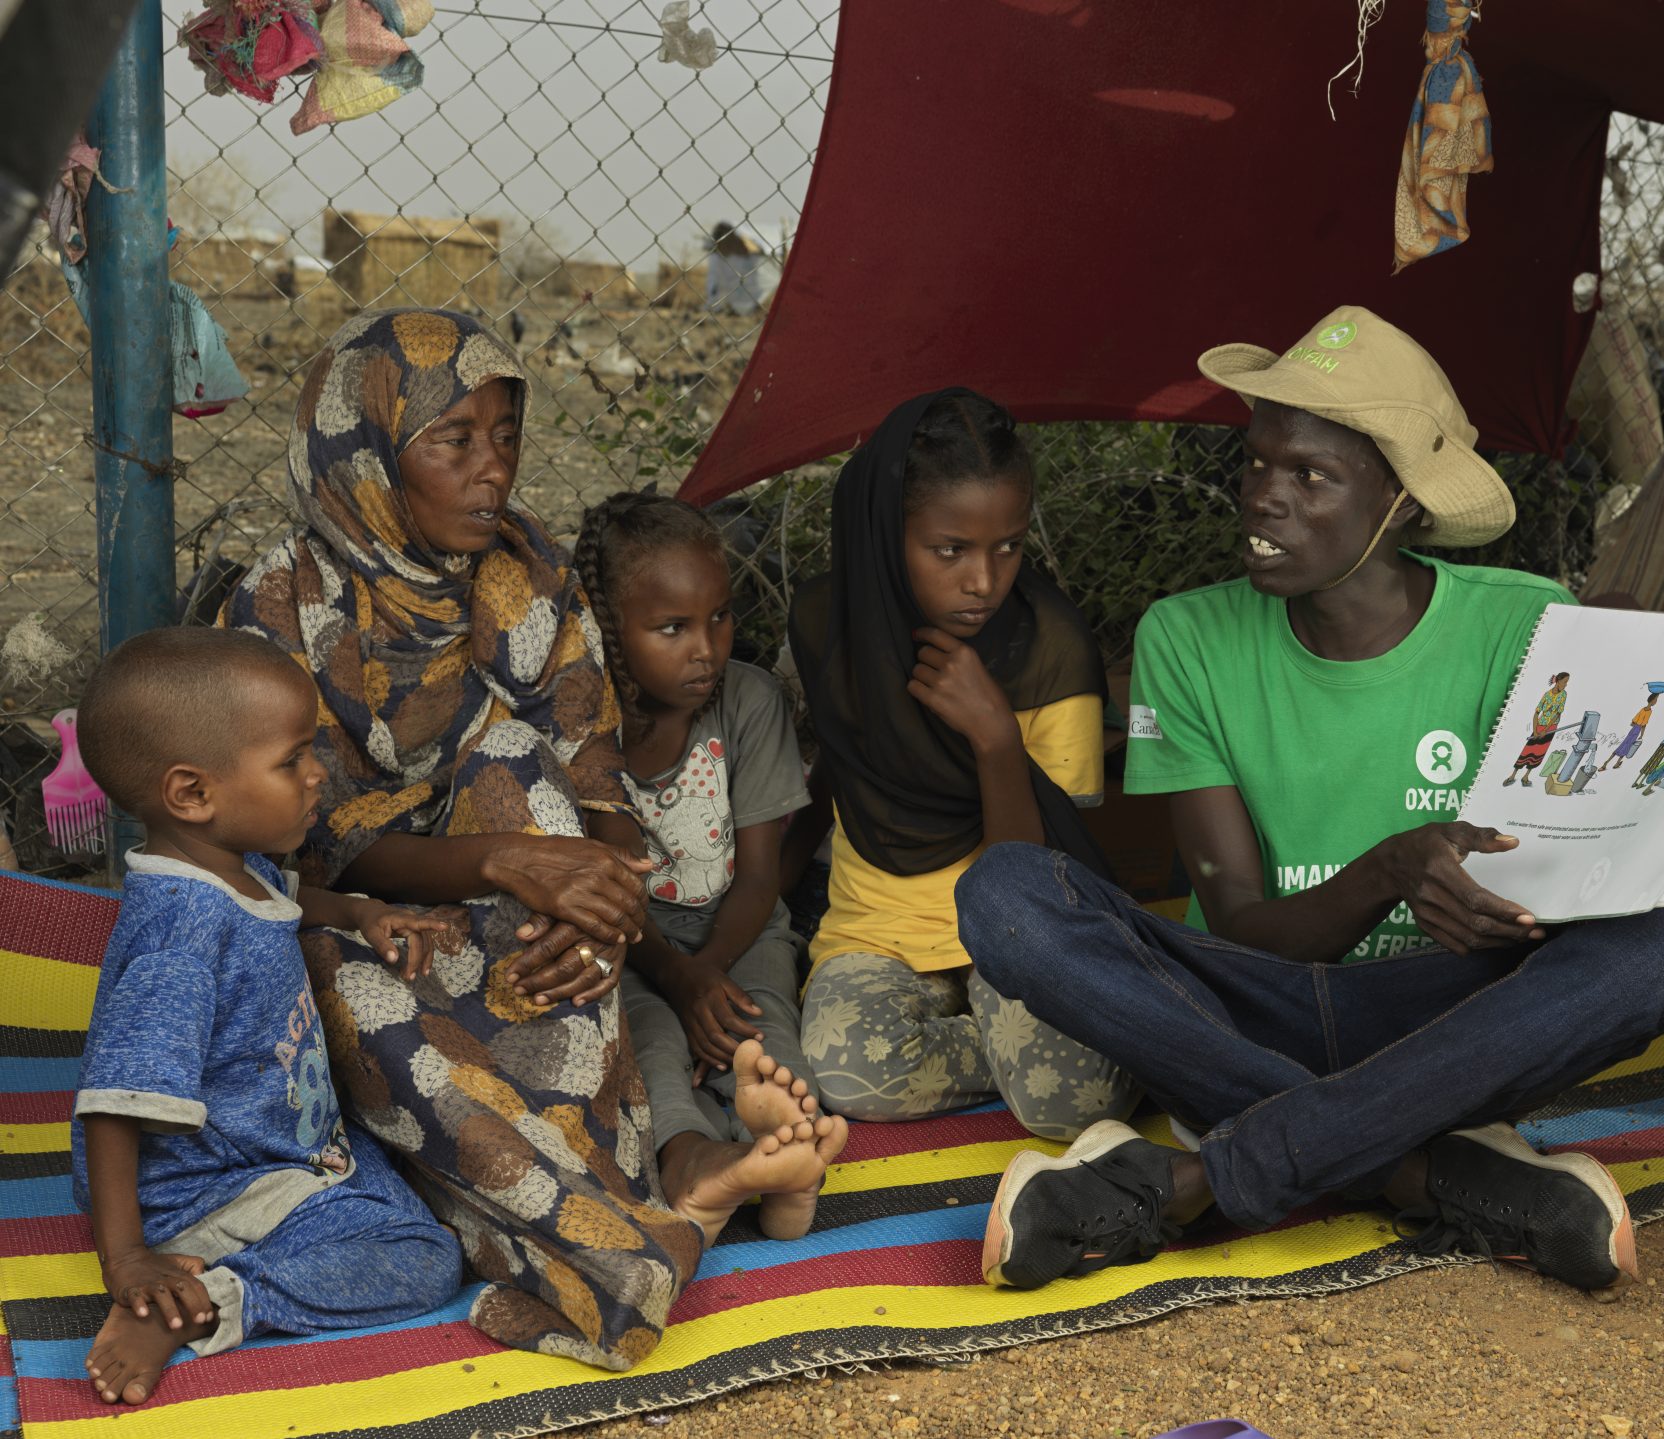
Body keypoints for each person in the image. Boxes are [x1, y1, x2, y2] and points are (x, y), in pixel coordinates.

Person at [958, 307, 1664, 1294]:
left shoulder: (1523, 623)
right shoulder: (1187, 638)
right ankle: (1421, 1168)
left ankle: (1204, 1173)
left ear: (1399, 500)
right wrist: (1390, 867)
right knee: (1005, 893)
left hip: (1457, 1011)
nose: (1264, 497)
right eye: (1259, 462)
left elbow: (1630, 888)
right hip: (1239, 1003)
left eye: (1311, 475)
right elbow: (1248, 930)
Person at [224, 308, 831, 1372]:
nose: (491, 470)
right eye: (452, 441)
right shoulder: (284, 603)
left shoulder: (527, 574)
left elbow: (595, 786)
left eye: (504, 436)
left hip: (527, 941)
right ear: (365, 452)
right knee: (370, 978)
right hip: (357, 933)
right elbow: (309, 843)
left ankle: (616, 1199)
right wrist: (509, 863)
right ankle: (648, 1223)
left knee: (517, 769)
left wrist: (606, 906)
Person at [69, 628, 463, 1406]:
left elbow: (281, 898)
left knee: (429, 1184)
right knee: (425, 1257)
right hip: (205, 1191)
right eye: (292, 760)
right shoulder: (180, 935)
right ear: (192, 793)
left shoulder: (227, 860)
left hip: (282, 1149)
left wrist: (355, 908)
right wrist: (128, 1257)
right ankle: (204, 1303)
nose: (318, 774)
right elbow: (116, 1103)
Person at [781, 388, 1139, 1137]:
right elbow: (840, 772)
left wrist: (996, 739)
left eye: (1008, 545)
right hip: (875, 930)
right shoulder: (829, 622)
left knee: (1079, 1104)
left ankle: (1009, 1049)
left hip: (1016, 936)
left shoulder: (1050, 650)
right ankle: (997, 1057)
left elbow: (1038, 880)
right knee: (844, 1069)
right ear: (886, 534)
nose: (984, 580)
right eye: (951, 550)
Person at [573, 492, 848, 1240]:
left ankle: (780, 1142)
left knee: (762, 1034)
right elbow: (605, 891)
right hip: (633, 950)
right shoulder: (581, 724)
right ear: (611, 633)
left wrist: (713, 973)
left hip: (743, 932)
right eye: (673, 628)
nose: (707, 647)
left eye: (719, 617)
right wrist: (680, 979)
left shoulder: (749, 702)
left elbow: (762, 874)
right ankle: (700, 1159)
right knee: (654, 1046)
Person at [1503, 673, 1570, 786]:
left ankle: (1526, 776)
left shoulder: (1563, 695)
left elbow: (1557, 714)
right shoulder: (1547, 695)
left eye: (1567, 682)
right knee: (1527, 750)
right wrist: (1535, 730)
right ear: (1558, 681)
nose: (1566, 685)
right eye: (1564, 682)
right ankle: (1513, 775)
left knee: (1538, 752)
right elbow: (1537, 713)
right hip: (1539, 725)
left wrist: (1546, 730)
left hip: (1551, 728)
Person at [1601, 689, 1659, 772]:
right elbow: (1644, 725)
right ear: (1652, 701)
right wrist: (1641, 735)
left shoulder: (1643, 709)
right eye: (1656, 700)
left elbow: (1633, 721)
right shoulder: (1649, 711)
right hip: (1636, 730)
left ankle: (1607, 763)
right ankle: (1615, 763)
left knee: (1624, 745)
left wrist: (1636, 725)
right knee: (1626, 747)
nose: (1656, 702)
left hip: (1633, 729)